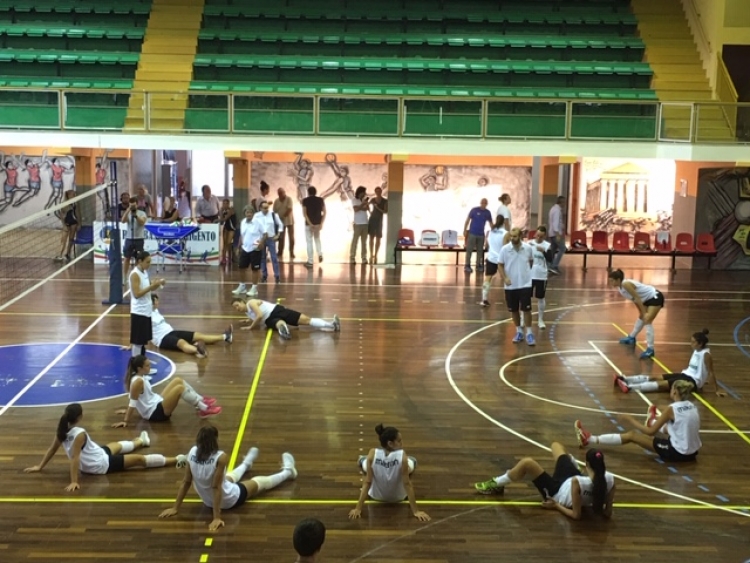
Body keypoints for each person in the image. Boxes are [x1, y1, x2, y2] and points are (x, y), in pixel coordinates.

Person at [158, 425, 297, 531]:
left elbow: (186, 482)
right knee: (260, 482)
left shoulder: (192, 452)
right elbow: (216, 487)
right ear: (215, 440)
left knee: (228, 477)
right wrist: (216, 517)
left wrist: (175, 507)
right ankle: (288, 471)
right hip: (230, 499)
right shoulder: (220, 457)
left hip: (207, 501)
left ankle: (245, 464)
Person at [24, 403, 187, 492]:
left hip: (98, 454)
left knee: (114, 445)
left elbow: (52, 449)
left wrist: (40, 466)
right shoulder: (79, 433)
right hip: (100, 465)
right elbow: (75, 459)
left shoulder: (62, 429)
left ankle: (140, 442)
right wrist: (74, 481)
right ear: (80, 417)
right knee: (138, 460)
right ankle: (177, 459)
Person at [474, 444, 615, 521]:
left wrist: (556, 506)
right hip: (574, 477)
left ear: (587, 463)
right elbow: (607, 513)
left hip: (557, 491)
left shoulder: (578, 482)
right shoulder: (610, 480)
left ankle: (497, 484)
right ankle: (573, 465)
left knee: (527, 463)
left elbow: (576, 516)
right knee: (556, 446)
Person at [576, 379, 701, 462]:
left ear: (674, 391)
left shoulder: (671, 410)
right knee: (672, 427)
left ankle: (589, 439)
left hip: (678, 453)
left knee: (632, 435)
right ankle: (652, 420)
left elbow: (650, 432)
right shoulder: (692, 405)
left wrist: (630, 419)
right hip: (693, 453)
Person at [349, 423, 430, 521]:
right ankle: (412, 460)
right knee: (411, 462)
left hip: (375, 497)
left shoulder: (372, 453)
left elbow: (367, 482)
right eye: (399, 441)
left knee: (367, 465)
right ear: (390, 443)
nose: (402, 443)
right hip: (399, 498)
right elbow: (407, 484)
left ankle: (362, 459)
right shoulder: (403, 456)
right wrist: (416, 511)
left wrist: (358, 508)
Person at [113, 355, 221, 428]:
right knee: (179, 389)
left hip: (156, 402)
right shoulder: (138, 382)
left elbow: (137, 399)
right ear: (139, 368)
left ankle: (201, 400)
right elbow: (133, 401)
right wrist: (126, 421)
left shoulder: (139, 376)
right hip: (154, 413)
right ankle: (204, 409)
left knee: (178, 380)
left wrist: (126, 411)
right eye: (147, 365)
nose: (150, 367)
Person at [614, 328, 725, 397]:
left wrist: (717, 390)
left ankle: (630, 387)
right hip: (685, 374)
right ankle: (625, 379)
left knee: (662, 385)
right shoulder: (697, 350)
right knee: (656, 377)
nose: (691, 344)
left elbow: (711, 372)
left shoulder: (706, 355)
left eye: (693, 342)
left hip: (692, 381)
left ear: (700, 344)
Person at [150, 294, 233, 358]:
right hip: (162, 338)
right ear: (151, 303)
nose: (158, 302)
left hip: (171, 331)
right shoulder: (146, 315)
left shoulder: (155, 310)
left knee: (198, 335)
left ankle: (225, 337)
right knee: (181, 342)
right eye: (156, 301)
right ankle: (198, 351)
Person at [609, 269, 664, 359]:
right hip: (645, 300)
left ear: (618, 279)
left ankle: (650, 349)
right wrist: (641, 312)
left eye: (612, 280)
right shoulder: (620, 289)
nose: (610, 283)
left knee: (647, 320)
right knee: (642, 317)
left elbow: (637, 297)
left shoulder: (625, 284)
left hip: (654, 297)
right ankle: (631, 337)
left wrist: (644, 312)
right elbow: (634, 300)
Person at [232, 297, 340, 340]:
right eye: (235, 308)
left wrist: (250, 327)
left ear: (242, 301)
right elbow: (255, 315)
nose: (237, 308)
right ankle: (284, 331)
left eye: (237, 305)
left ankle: (332, 325)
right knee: (279, 322)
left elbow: (259, 315)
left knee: (306, 320)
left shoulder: (251, 303)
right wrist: (247, 320)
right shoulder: (247, 312)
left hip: (275, 310)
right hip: (269, 319)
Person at [497, 227, 535, 346]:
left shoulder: (528, 248)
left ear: (520, 237)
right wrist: (505, 278)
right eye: (511, 236)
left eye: (515, 236)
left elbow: (531, 262)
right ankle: (519, 331)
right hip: (511, 286)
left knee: (527, 309)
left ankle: (529, 333)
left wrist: (526, 275)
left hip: (525, 284)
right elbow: (500, 265)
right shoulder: (504, 249)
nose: (512, 239)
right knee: (514, 310)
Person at [128, 251, 164, 357]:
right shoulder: (135, 274)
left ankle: (142, 365)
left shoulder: (144, 272)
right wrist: (151, 287)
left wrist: (157, 284)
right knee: (138, 343)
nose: (149, 264)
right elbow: (137, 294)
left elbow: (146, 288)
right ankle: (136, 365)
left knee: (143, 342)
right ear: (140, 261)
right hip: (139, 312)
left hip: (146, 311)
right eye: (147, 262)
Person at [231, 205, 267, 297]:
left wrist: (261, 243)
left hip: (255, 248)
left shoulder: (258, 222)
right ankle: (242, 286)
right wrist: (238, 247)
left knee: (255, 269)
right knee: (241, 267)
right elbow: (242, 235)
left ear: (253, 213)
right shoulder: (242, 222)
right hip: (245, 248)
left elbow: (265, 234)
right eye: (247, 212)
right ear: (245, 214)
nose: (249, 214)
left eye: (251, 212)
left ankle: (254, 288)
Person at [524, 226, 553, 330]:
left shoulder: (547, 245)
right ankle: (524, 317)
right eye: (537, 235)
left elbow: (550, 259)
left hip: (542, 275)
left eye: (541, 236)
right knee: (526, 296)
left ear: (544, 236)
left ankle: (540, 319)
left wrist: (543, 251)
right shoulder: (530, 243)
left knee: (540, 297)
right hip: (530, 274)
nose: (539, 238)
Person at [480, 216, 509, 307]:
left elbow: (486, 244)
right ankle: (509, 298)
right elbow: (506, 246)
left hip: (491, 258)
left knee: (488, 278)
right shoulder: (506, 233)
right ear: (504, 222)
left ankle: (484, 299)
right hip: (501, 259)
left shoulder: (490, 232)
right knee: (506, 278)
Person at [121, 196, 148, 284]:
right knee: (127, 258)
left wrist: (136, 216)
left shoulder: (142, 213)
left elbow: (142, 222)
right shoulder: (128, 212)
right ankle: (124, 277)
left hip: (139, 239)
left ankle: (137, 276)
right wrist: (128, 210)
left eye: (134, 205)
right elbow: (123, 221)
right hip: (129, 238)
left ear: (137, 205)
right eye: (131, 205)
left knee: (138, 259)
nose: (133, 207)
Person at [463, 198, 493, 274]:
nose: (484, 204)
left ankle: (478, 265)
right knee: (469, 250)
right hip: (472, 233)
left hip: (481, 234)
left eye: (485, 203)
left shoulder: (487, 212)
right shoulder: (474, 210)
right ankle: (467, 265)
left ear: (487, 204)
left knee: (480, 250)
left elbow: (490, 223)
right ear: (480, 203)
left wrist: (494, 231)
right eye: (482, 202)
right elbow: (467, 220)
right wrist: (465, 230)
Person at [257, 200, 284, 284]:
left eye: (267, 208)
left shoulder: (273, 215)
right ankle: (264, 275)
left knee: (274, 257)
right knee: (262, 258)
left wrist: (278, 234)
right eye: (264, 208)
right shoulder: (257, 216)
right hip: (261, 239)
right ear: (260, 208)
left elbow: (280, 224)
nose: (266, 209)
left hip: (271, 238)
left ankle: (277, 276)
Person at [302, 186, 325, 268]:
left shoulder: (305, 201)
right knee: (317, 239)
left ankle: (310, 261)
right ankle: (320, 253)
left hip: (309, 225)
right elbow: (324, 212)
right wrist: (321, 223)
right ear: (315, 192)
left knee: (309, 242)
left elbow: (305, 214)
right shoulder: (320, 200)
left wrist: (310, 223)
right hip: (318, 223)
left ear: (308, 192)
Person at [54, 189, 79, 262]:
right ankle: (60, 254)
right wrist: (64, 225)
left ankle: (67, 254)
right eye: (72, 195)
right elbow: (62, 215)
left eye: (74, 194)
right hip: (66, 223)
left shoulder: (75, 203)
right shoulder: (65, 204)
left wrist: (79, 223)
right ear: (68, 196)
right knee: (63, 240)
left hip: (73, 223)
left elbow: (77, 214)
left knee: (71, 239)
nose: (74, 196)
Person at [274, 187, 295, 261]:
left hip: (289, 222)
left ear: (284, 193)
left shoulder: (289, 199)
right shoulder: (276, 201)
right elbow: (274, 211)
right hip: (280, 223)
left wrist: (283, 216)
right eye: (279, 194)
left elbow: (290, 209)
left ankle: (291, 252)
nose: (280, 195)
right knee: (281, 238)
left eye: (281, 193)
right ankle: (280, 252)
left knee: (291, 238)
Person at [367, 186, 387, 264]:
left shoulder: (385, 201)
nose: (378, 192)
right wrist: (370, 212)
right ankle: (371, 254)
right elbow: (367, 205)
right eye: (377, 191)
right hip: (372, 219)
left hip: (379, 220)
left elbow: (385, 211)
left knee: (378, 238)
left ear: (381, 192)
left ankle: (376, 255)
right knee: (371, 237)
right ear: (375, 192)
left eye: (379, 191)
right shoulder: (373, 199)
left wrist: (377, 208)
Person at [350, 186, 369, 265]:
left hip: (365, 223)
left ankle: (364, 257)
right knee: (355, 241)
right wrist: (362, 205)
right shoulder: (354, 200)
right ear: (360, 192)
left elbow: (366, 209)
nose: (365, 193)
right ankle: (352, 257)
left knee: (364, 242)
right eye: (364, 192)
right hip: (358, 223)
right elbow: (356, 210)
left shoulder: (364, 200)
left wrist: (365, 204)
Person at [547, 195, 565, 274]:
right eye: (564, 202)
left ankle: (549, 265)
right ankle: (554, 265)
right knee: (562, 248)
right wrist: (558, 234)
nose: (565, 204)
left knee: (553, 250)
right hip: (555, 233)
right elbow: (555, 223)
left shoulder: (553, 209)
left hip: (552, 233)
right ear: (561, 202)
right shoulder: (557, 211)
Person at [219, 198, 236, 266]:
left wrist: (221, 212)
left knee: (229, 243)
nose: (225, 205)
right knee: (225, 243)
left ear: (229, 204)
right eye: (224, 203)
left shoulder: (231, 209)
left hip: (232, 228)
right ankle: (223, 258)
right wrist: (220, 211)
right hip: (226, 227)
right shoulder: (223, 210)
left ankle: (229, 257)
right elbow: (221, 222)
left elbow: (225, 218)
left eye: (226, 203)